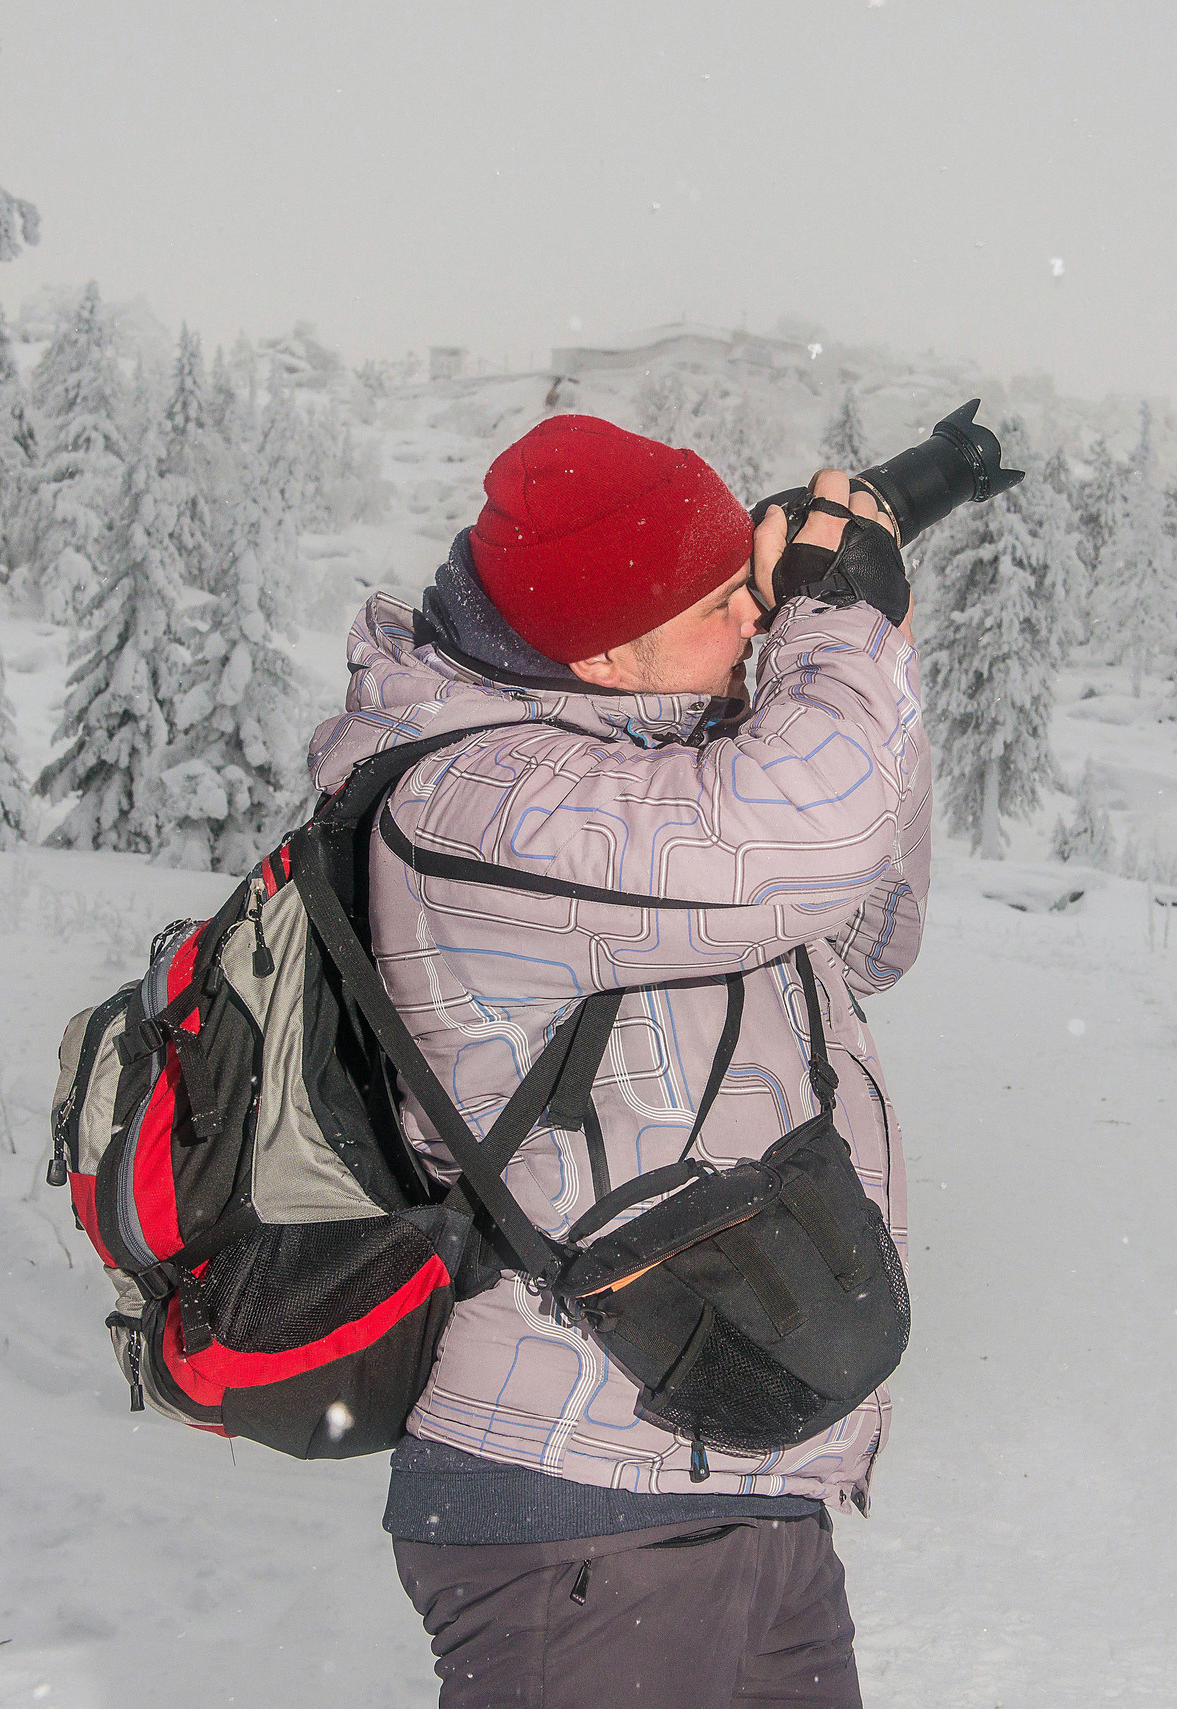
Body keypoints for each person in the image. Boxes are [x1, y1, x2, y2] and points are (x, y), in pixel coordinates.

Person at [304, 413, 929, 1708]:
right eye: (722, 602)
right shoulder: (477, 800)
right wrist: (835, 639)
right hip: (577, 1501)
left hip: (738, 1454)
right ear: (599, 650)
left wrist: (870, 662)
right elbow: (801, 835)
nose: (756, 621)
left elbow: (868, 926)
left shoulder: (648, 764)